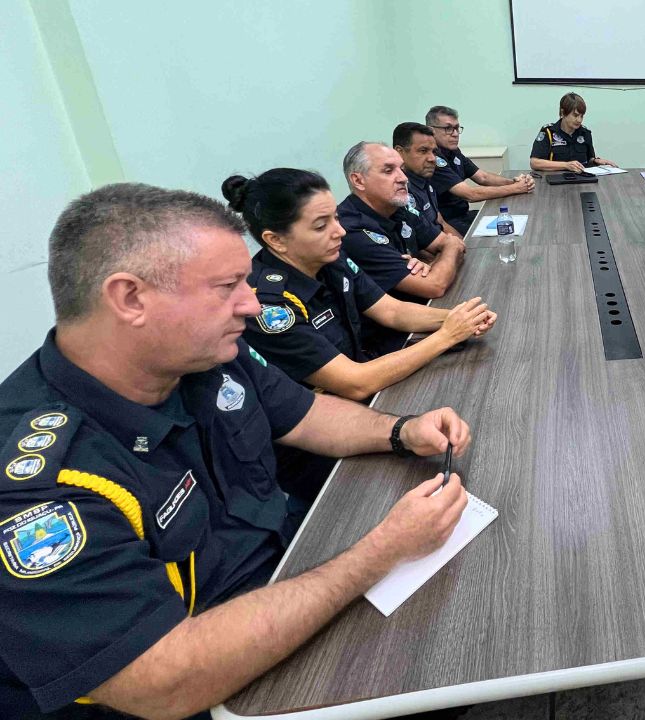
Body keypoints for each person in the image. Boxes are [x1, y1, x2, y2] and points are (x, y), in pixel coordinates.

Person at [0, 183, 474, 719]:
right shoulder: (39, 485)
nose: (250, 305)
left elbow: (307, 414)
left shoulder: (204, 356)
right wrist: (381, 551)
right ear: (130, 298)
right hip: (201, 684)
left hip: (283, 581)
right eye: (227, 287)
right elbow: (160, 682)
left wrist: (401, 430)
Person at [224, 169, 496, 401]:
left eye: (336, 218)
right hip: (326, 430)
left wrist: (461, 319)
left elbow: (392, 311)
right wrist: (446, 335)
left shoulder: (331, 259)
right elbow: (355, 382)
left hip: (371, 382)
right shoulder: (268, 305)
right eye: (321, 226)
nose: (339, 231)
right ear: (276, 240)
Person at [338, 141, 466, 302]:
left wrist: (434, 263)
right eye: (388, 170)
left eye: (401, 168)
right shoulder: (351, 229)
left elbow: (451, 244)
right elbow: (435, 286)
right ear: (358, 181)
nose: (403, 178)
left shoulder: (400, 207)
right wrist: (447, 253)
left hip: (424, 306)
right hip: (393, 322)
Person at [426, 105, 535, 234]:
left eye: (456, 128)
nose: (455, 134)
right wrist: (516, 188)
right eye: (448, 128)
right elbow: (470, 194)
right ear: (431, 131)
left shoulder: (453, 152)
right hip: (446, 223)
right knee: (504, 233)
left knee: (515, 222)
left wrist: (514, 182)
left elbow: (483, 177)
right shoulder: (433, 159)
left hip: (463, 215)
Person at [392, 120, 464, 242]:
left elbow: (441, 223)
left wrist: (466, 246)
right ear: (400, 153)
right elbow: (419, 248)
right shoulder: (399, 191)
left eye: (434, 152)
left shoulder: (425, 179)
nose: (432, 159)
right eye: (423, 151)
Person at [529, 92, 616, 173]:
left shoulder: (585, 133)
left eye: (582, 116)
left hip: (582, 180)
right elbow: (534, 163)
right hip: (555, 180)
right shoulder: (548, 132)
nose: (579, 120)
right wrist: (566, 165)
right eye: (575, 115)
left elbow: (589, 159)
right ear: (563, 113)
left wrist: (596, 161)